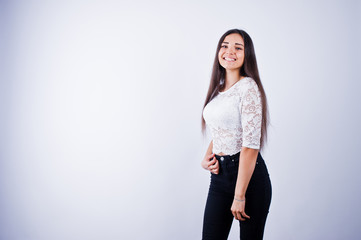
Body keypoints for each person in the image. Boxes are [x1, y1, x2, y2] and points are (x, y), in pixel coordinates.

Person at [201, 29, 272, 240]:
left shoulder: (248, 87)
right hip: (220, 178)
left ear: (246, 54)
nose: (229, 51)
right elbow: (223, 129)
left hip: (249, 181)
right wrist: (208, 156)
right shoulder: (219, 89)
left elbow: (250, 144)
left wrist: (239, 196)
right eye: (225, 45)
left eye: (237, 47)